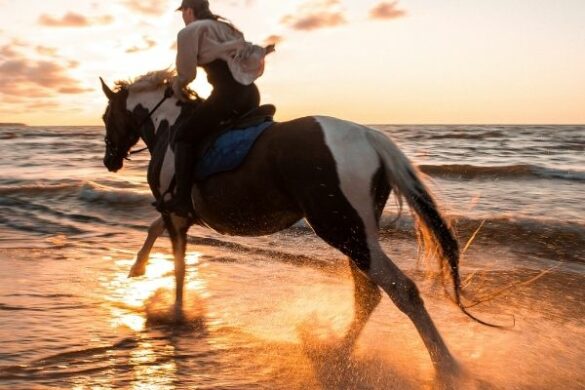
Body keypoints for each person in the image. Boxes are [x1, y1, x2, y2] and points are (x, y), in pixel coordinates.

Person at [163, 0, 273, 217]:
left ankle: (183, 201)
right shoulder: (228, 29)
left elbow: (187, 75)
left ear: (188, 10)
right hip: (250, 94)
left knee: (183, 136)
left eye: (183, 13)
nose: (183, 17)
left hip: (227, 96)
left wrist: (175, 86)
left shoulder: (189, 32)